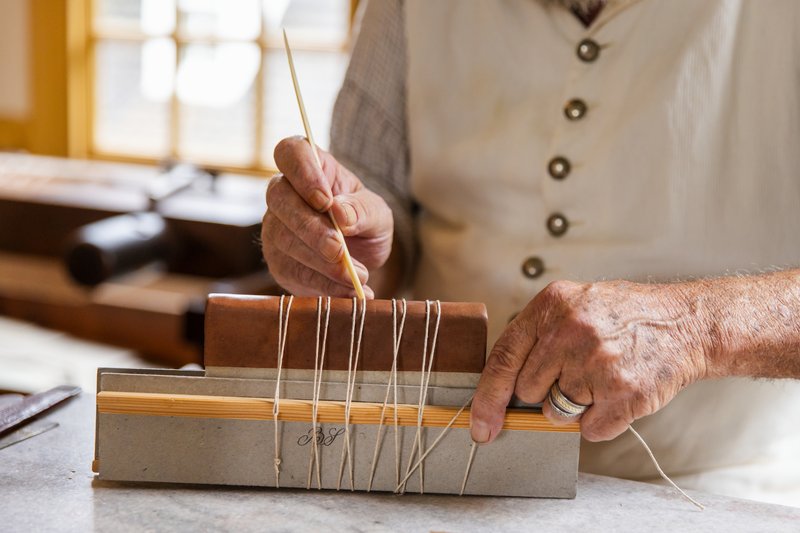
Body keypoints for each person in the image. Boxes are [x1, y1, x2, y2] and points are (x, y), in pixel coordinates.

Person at [262, 0, 800, 505]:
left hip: (718, 492)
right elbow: (381, 205)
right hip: (431, 469)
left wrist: (692, 329)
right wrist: (347, 247)